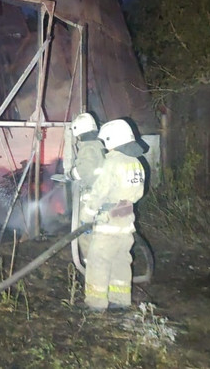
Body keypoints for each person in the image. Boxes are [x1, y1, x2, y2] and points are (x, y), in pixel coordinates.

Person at [82, 119, 146, 311]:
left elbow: (100, 191)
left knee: (98, 259)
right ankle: (120, 299)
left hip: (109, 219)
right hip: (127, 217)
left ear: (111, 140)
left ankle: (95, 303)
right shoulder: (136, 163)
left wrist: (87, 213)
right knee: (121, 259)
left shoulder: (113, 162)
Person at [69, 112, 106, 260]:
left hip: (91, 197)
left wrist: (72, 174)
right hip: (102, 195)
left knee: (85, 232)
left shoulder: (88, 148)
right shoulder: (99, 145)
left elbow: (84, 170)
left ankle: (89, 263)